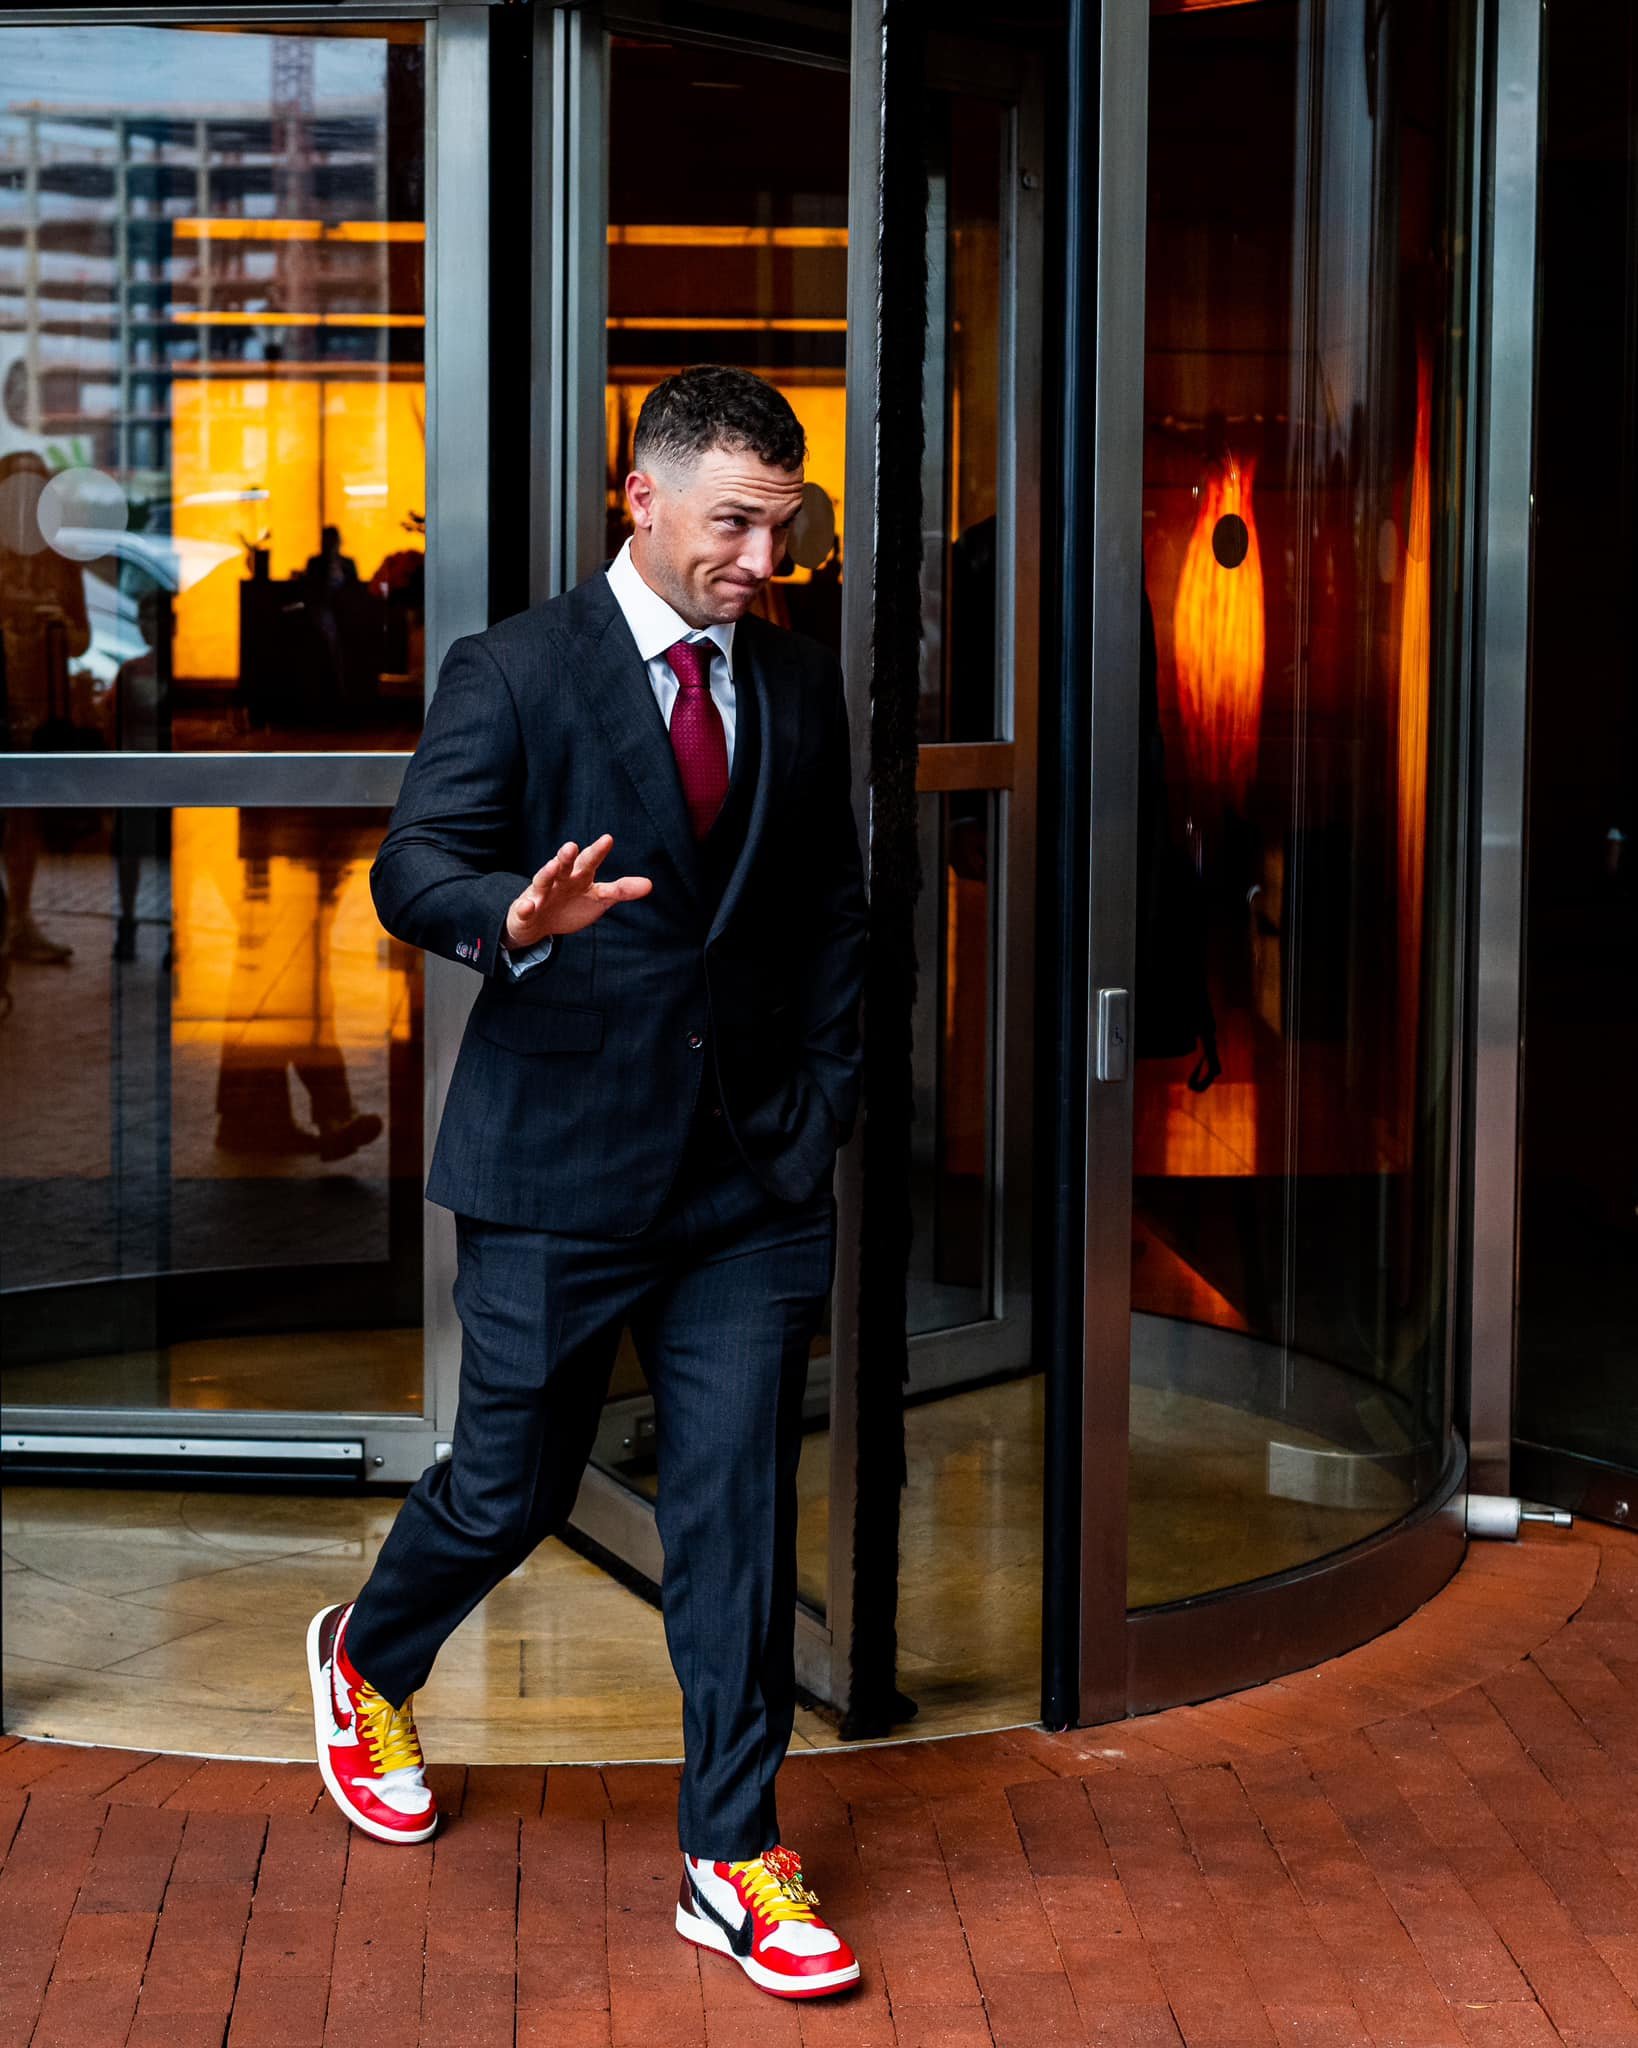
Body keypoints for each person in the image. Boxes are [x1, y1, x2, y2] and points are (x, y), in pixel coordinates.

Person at [306, 366, 867, 2002]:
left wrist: (823, 1102)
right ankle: (369, 1657)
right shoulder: (520, 669)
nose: (764, 559)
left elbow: (833, 912)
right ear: (644, 498)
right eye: (736, 525)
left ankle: (732, 1851)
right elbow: (414, 864)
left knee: (736, 1514)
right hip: (560, 1171)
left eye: (784, 527)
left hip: (751, 1179)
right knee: (512, 1487)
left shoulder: (801, 686)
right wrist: (513, 920)